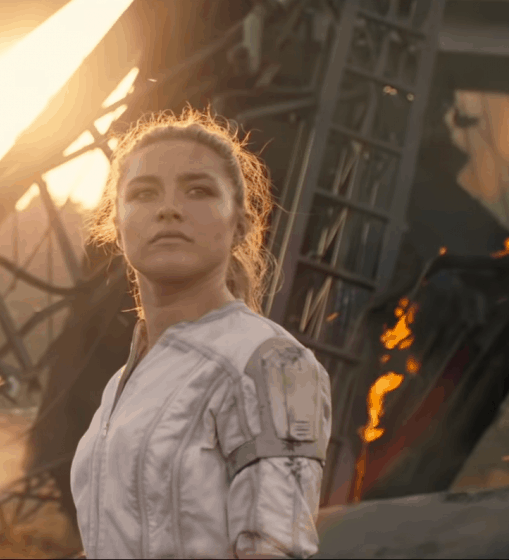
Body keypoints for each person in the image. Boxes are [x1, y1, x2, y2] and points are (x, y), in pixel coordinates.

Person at [70, 108, 332, 559]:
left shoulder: (271, 361)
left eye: (199, 191)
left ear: (240, 224)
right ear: (116, 224)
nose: (169, 209)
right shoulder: (122, 386)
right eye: (144, 193)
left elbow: (278, 549)